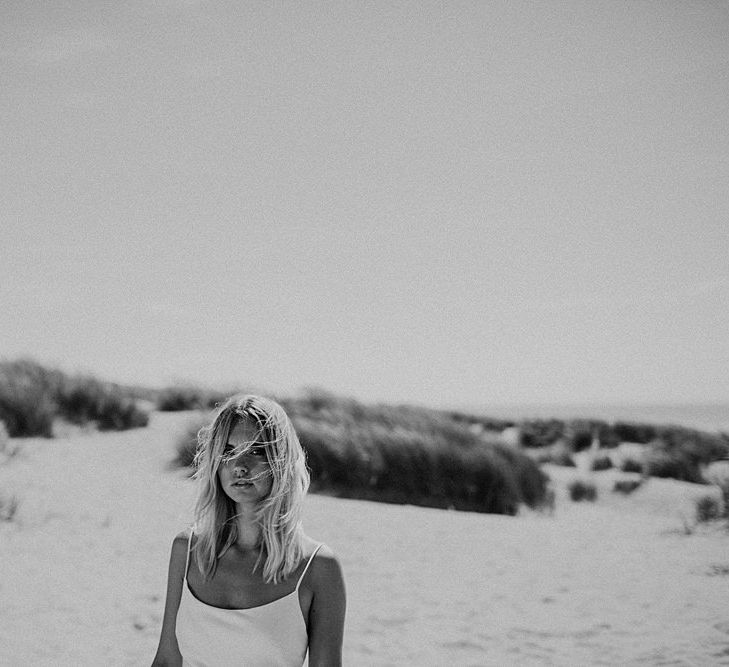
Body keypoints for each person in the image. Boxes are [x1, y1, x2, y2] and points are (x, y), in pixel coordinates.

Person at [152, 394, 346, 666]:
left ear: (280, 461)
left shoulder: (317, 568)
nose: (240, 466)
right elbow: (166, 661)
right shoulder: (188, 550)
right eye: (228, 451)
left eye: (256, 451)